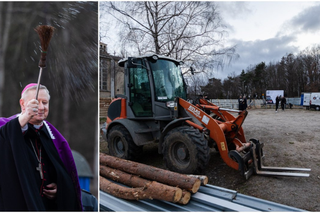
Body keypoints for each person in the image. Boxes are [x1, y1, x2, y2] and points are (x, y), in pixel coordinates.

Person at [0, 83, 82, 211]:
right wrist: (25, 117)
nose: (41, 107)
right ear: (22, 104)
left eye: (45, 102)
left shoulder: (54, 136)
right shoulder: (4, 128)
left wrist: (60, 188)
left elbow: (65, 174)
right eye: (35, 102)